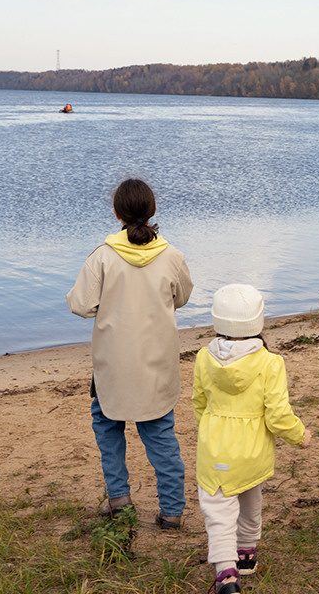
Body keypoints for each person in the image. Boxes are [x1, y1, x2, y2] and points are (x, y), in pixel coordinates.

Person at [66, 178, 194, 529]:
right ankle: (172, 511)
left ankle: (119, 500)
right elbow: (182, 297)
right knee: (161, 436)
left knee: (108, 428)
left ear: (116, 213)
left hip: (113, 365)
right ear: (153, 211)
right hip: (157, 365)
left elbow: (81, 305)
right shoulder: (172, 256)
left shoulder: (102, 256)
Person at [192, 284, 311, 594]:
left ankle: (226, 573)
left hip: (215, 450)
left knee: (219, 512)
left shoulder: (204, 357)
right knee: (250, 499)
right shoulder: (270, 362)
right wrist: (300, 435)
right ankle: (246, 554)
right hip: (253, 452)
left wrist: (207, 431)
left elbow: (199, 403)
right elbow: (278, 415)